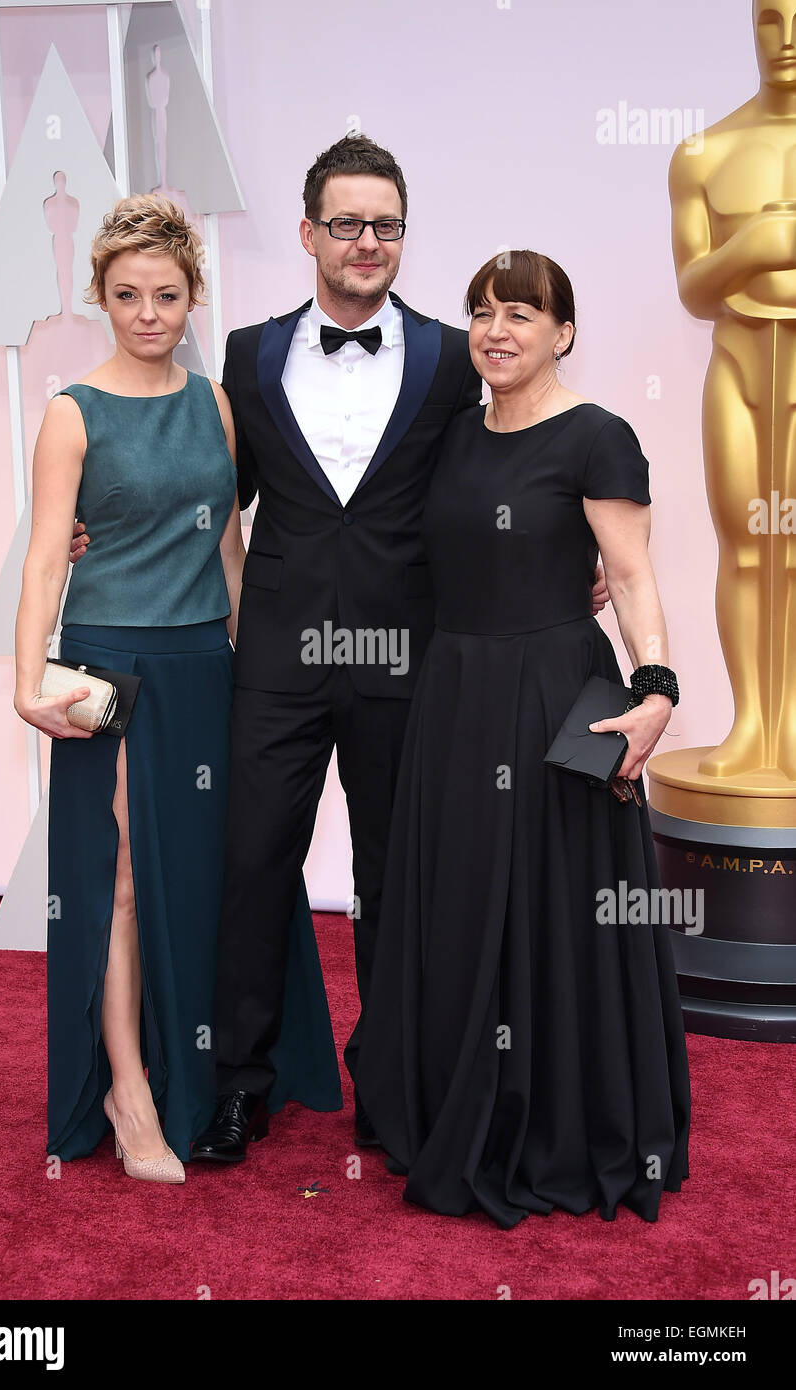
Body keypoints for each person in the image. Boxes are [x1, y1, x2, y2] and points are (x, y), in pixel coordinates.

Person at [70, 139, 609, 1163]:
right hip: (273, 657)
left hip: (414, 659)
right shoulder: (250, 354)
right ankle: (240, 1083)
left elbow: (509, 469)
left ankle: (398, 1085)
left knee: (399, 878)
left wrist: (565, 558)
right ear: (310, 230)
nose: (368, 243)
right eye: (348, 223)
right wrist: (88, 529)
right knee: (251, 865)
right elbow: (205, 499)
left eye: (388, 225)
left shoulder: (457, 358)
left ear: (404, 235)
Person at [356, 250, 691, 1227]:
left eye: (521, 313)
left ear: (562, 331)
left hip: (556, 694)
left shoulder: (598, 436)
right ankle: (461, 1105)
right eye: (482, 312)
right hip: (454, 693)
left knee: (559, 908)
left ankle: (562, 1122)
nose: (497, 330)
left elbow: (627, 575)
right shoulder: (450, 438)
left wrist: (656, 685)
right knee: (460, 900)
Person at [14, 194, 340, 1184]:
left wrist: (263, 660)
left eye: (165, 293)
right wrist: (26, 680)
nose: (147, 312)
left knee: (215, 872)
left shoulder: (214, 403)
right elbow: (43, 562)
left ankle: (213, 1064)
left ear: (193, 296)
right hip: (109, 667)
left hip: (209, 665)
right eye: (126, 295)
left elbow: (230, 548)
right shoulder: (72, 413)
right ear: (100, 300)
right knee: (114, 882)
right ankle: (129, 1090)